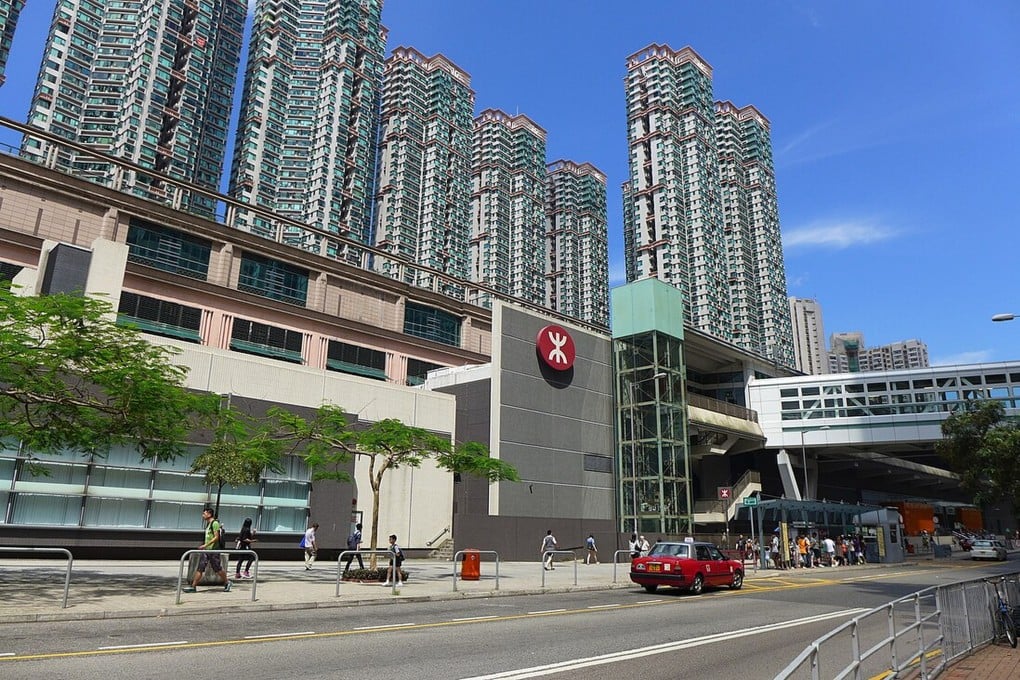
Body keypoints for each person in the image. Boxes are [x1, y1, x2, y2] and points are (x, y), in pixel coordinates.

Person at [183, 507, 231, 593]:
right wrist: (205, 546)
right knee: (200, 568)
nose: (203, 515)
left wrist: (206, 545)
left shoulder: (214, 523)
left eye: (204, 514)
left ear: (209, 514)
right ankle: (193, 587)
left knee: (217, 569)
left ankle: (227, 582)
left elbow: (216, 537)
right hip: (206, 550)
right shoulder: (208, 524)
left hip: (213, 550)